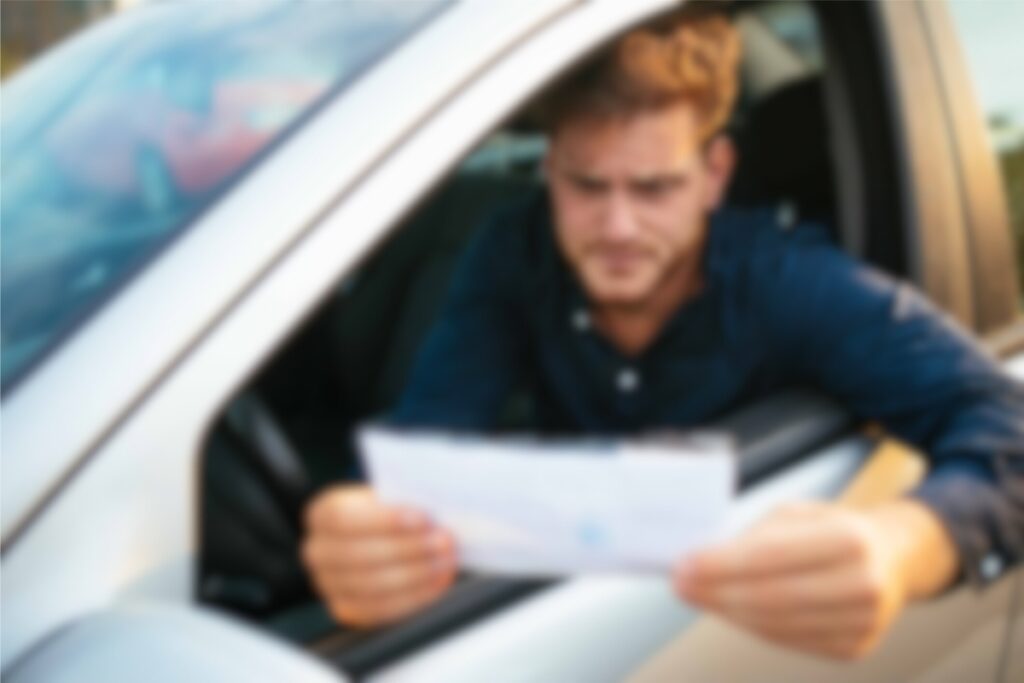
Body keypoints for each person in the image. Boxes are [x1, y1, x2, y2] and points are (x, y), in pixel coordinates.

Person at [301, 9, 1024, 660]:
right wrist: (368, 537)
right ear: (548, 170)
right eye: (587, 186)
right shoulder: (513, 253)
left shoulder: (789, 281)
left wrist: (901, 546)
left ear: (715, 175)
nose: (617, 229)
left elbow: (1009, 426)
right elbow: (431, 447)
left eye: (654, 189)